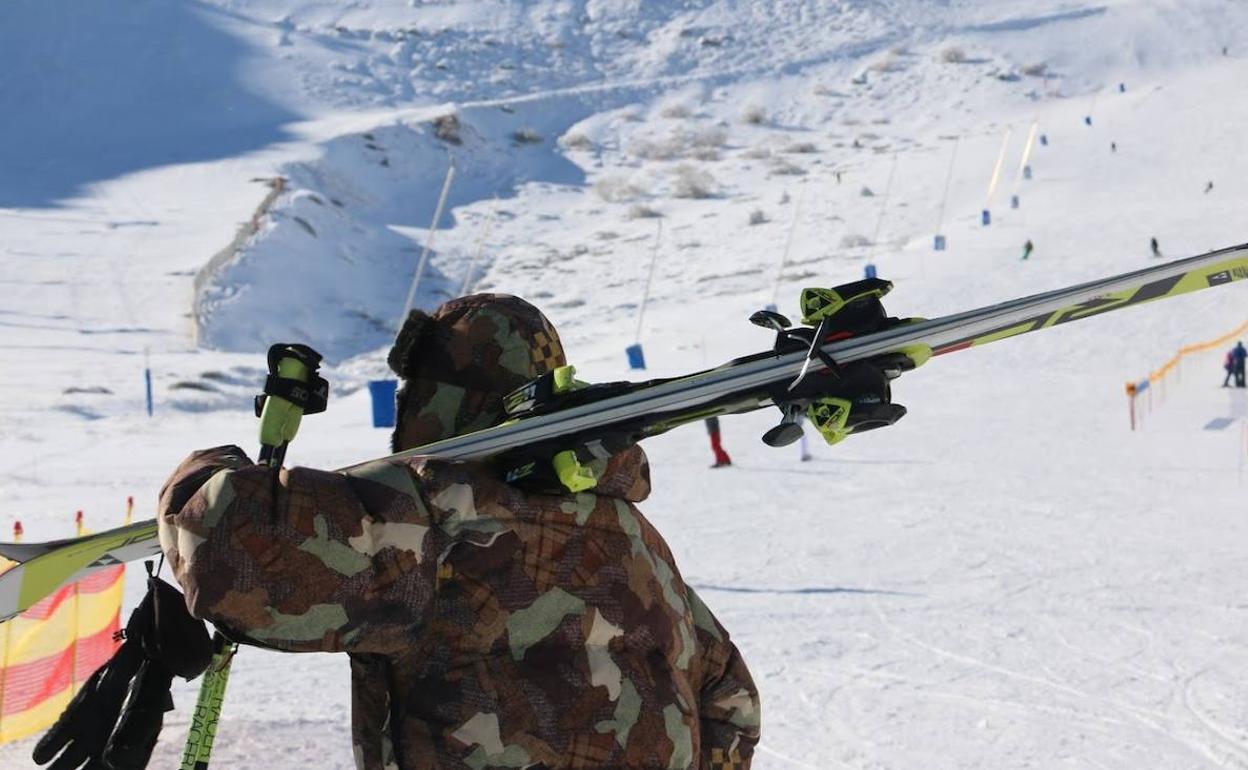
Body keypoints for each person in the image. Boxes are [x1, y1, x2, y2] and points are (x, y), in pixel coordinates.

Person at [157, 295, 761, 769]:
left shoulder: (432, 513)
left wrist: (208, 473)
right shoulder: (634, 533)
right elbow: (732, 700)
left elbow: (228, 543)